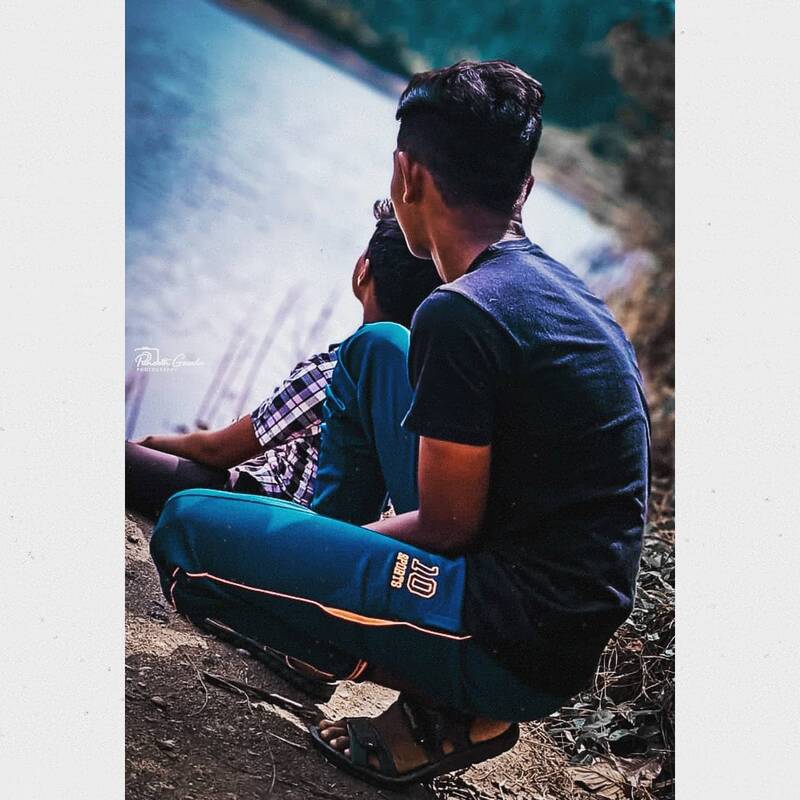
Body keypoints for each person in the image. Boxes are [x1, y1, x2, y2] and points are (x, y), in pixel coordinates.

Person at [149, 60, 650, 788]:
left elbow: (446, 528)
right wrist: (327, 546)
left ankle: (446, 705)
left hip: (505, 639)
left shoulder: (463, 310)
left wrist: (326, 552)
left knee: (188, 528)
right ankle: (319, 644)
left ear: (406, 176)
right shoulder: (551, 290)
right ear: (525, 188)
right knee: (376, 350)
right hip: (541, 615)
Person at [125, 199, 441, 520]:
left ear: (363, 270)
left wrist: (149, 442)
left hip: (265, 506)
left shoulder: (335, 372)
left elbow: (219, 450)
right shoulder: (412, 382)